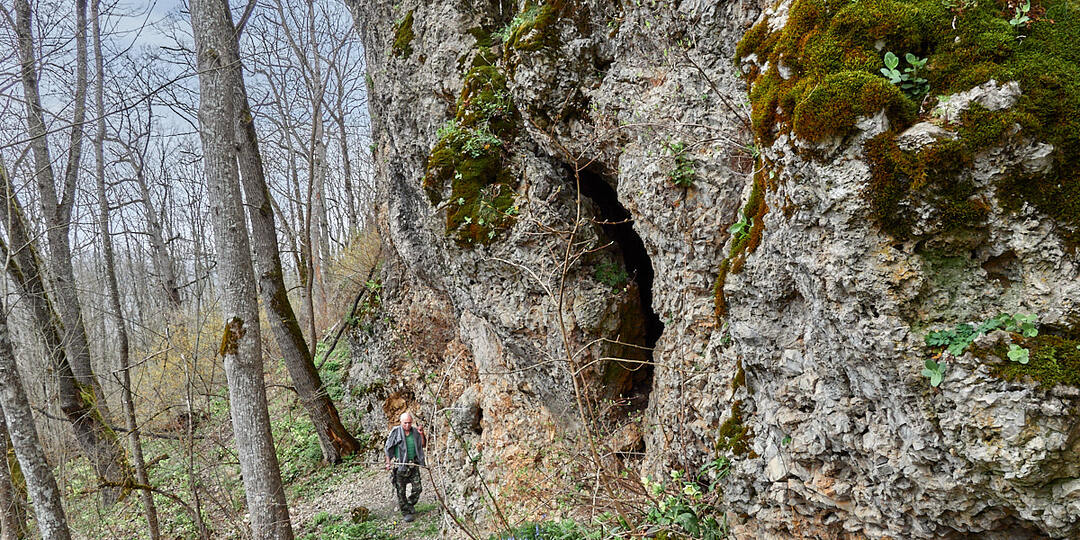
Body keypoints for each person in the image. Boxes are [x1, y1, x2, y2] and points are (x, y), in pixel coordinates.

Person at [384, 411, 426, 521]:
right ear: (401, 422)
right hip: (400, 465)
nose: (407, 425)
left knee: (418, 488)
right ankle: (405, 512)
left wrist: (421, 433)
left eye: (409, 423)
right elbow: (388, 447)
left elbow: (422, 445)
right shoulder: (396, 432)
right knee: (401, 491)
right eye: (405, 423)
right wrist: (388, 462)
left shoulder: (415, 432)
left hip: (413, 464)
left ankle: (410, 503)